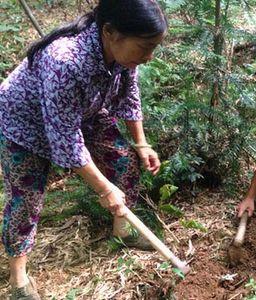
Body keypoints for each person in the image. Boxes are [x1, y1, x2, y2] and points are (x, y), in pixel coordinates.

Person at [0, 1, 168, 299]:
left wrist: (141, 143)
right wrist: (104, 190)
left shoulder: (123, 56)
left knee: (122, 162)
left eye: (154, 47)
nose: (150, 57)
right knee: (26, 199)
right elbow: (65, 140)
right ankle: (19, 280)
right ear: (110, 32)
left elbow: (129, 96)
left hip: (81, 112)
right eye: (145, 47)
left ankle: (123, 231)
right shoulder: (65, 61)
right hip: (24, 123)